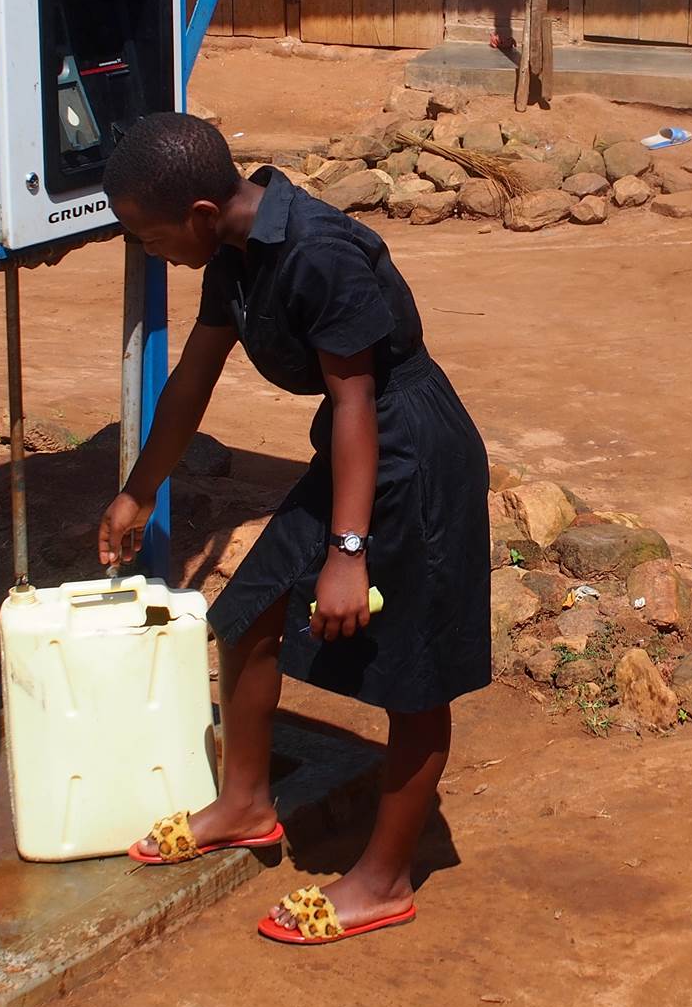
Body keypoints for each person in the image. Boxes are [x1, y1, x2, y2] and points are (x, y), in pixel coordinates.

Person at [97, 113, 491, 946]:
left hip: (413, 454)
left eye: (146, 233)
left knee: (412, 674)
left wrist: (348, 553)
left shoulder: (319, 251)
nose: (145, 250)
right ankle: (244, 804)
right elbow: (193, 380)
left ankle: (383, 880)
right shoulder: (234, 254)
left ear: (201, 213)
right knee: (245, 614)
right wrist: (138, 490)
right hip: (356, 451)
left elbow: (356, 401)